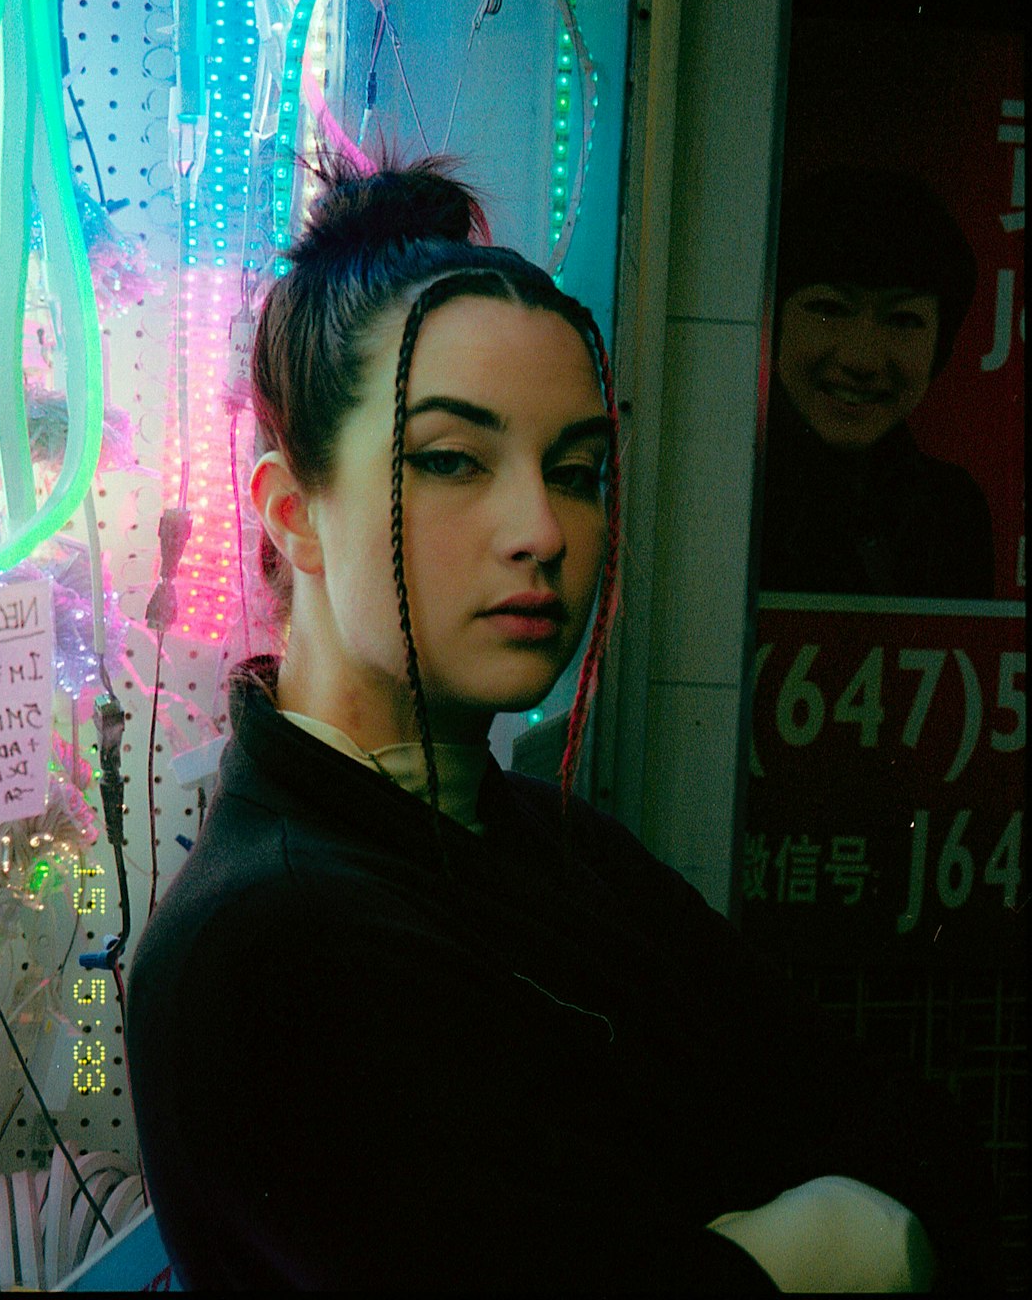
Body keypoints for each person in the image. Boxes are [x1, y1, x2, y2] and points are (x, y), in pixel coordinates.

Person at [127, 156, 998, 1291]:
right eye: (452, 460)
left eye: (579, 469)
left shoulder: (549, 838)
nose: (541, 527)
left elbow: (894, 1118)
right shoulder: (256, 952)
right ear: (294, 511)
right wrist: (804, 1249)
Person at [760, 166, 995, 598]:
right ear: (773, 322)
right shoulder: (726, 489)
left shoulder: (953, 513)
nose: (862, 359)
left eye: (904, 319)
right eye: (829, 309)